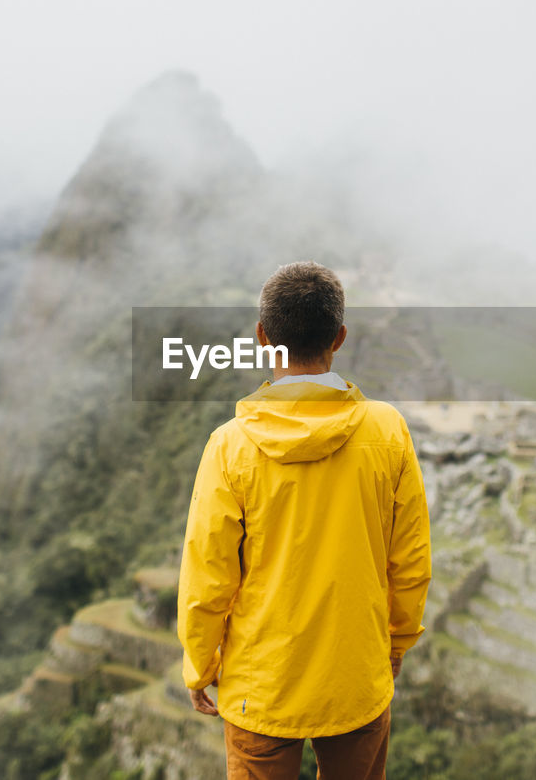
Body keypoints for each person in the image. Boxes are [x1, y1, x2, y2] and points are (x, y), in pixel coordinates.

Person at [177, 261, 432, 780]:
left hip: (261, 685)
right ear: (338, 337)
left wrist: (199, 664)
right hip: (357, 673)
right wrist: (396, 641)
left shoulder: (230, 446)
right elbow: (409, 559)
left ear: (263, 337)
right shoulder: (387, 431)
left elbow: (209, 572)